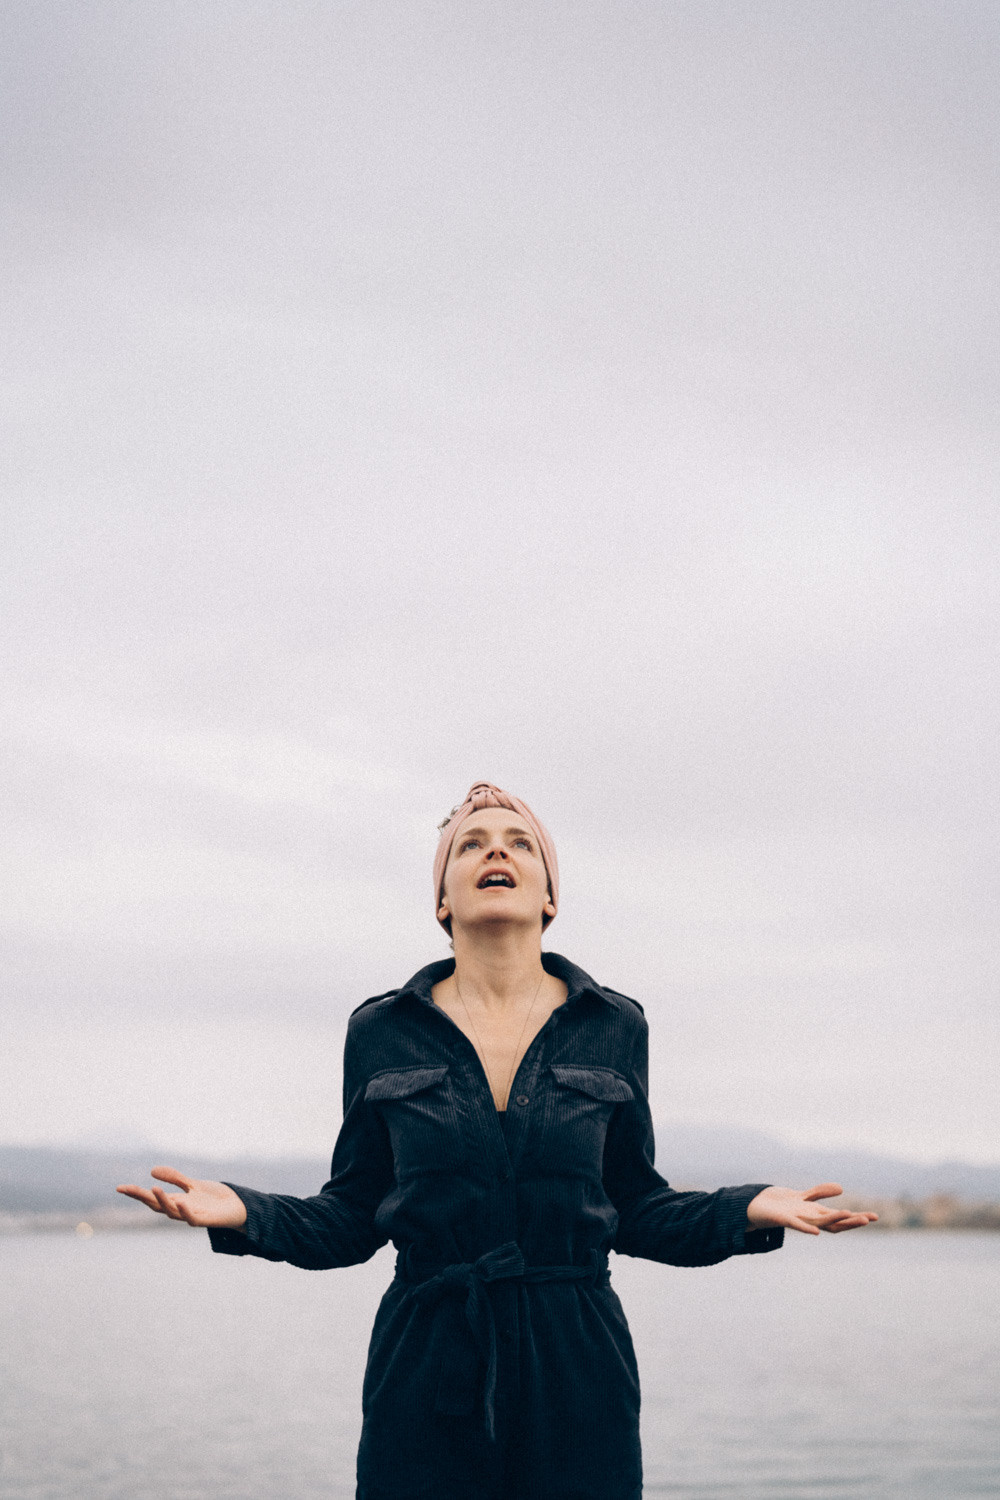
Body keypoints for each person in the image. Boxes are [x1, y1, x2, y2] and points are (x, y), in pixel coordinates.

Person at [118, 780, 877, 1500]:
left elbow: (637, 1207)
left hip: (577, 1359)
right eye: (470, 844)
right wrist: (243, 1212)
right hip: (429, 1355)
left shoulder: (615, 1025)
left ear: (550, 895)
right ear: (441, 898)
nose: (495, 852)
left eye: (520, 843)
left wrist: (750, 1208)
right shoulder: (381, 1030)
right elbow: (351, 1217)